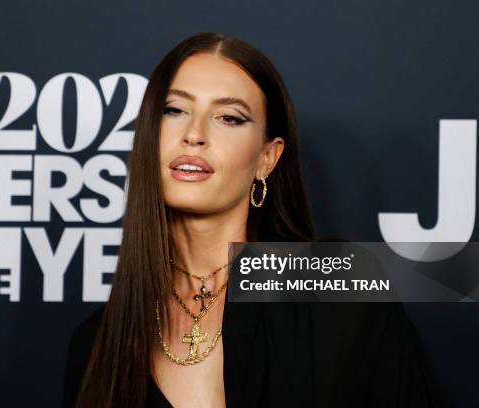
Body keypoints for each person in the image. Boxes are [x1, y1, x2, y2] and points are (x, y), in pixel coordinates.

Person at [62, 32, 443, 407]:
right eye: (174, 110)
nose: (194, 135)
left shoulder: (334, 289)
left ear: (267, 158)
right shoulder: (96, 346)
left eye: (229, 117)